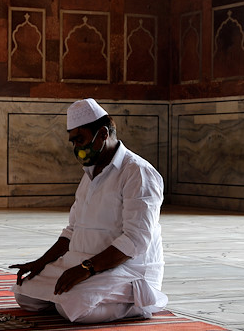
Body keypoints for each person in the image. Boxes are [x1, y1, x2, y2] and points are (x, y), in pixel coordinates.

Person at [10, 98, 167, 323]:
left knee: (72, 307)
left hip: (126, 270)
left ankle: (138, 304)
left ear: (102, 134)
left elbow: (135, 239)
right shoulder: (90, 174)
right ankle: (80, 297)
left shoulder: (138, 172)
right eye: (73, 142)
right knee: (25, 293)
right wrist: (41, 262)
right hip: (84, 263)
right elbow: (72, 231)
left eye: (80, 140)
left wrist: (86, 269)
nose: (76, 148)